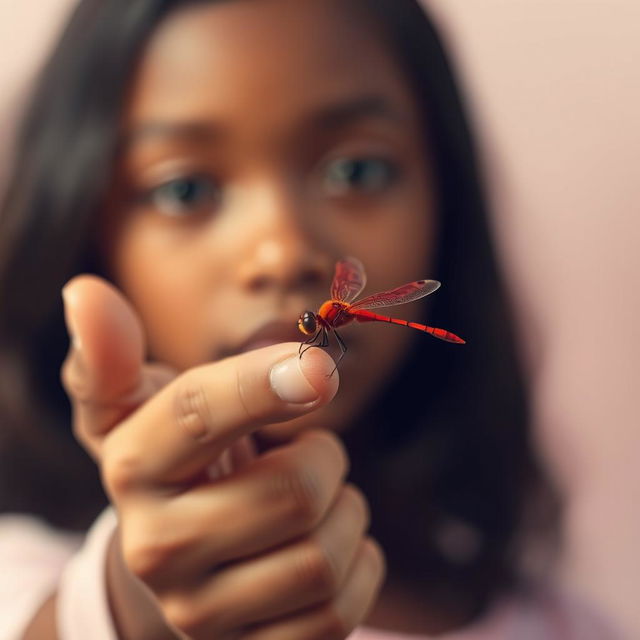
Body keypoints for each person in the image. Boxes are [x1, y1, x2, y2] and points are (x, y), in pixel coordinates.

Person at [0, 0, 621, 638]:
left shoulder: (566, 623)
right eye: (184, 189)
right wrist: (138, 595)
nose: (285, 250)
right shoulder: (19, 584)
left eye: (357, 170)